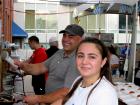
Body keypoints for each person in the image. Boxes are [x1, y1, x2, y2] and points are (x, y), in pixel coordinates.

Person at [14, 24, 84, 105]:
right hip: (48, 100)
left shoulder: (78, 59)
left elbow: (66, 92)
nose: (65, 39)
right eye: (64, 36)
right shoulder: (60, 53)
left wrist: (38, 99)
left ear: (80, 40)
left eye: (70, 37)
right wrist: (22, 65)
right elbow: (40, 67)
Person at [51, 37, 118, 105]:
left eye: (92, 57)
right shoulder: (78, 80)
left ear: (103, 62)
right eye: (80, 56)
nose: (84, 62)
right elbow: (67, 100)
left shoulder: (105, 93)